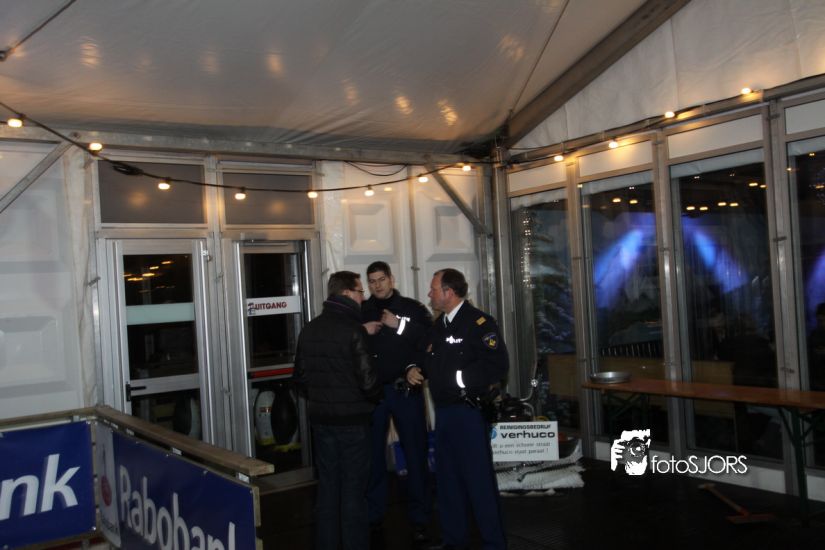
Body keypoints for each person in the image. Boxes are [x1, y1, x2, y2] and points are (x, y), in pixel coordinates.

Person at [406, 268, 508, 550]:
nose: (429, 294)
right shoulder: (439, 326)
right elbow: (425, 356)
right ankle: (454, 541)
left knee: (479, 482)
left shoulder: (479, 323)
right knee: (448, 481)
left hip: (468, 413)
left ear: (448, 293)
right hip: (444, 414)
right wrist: (414, 368)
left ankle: (494, 544)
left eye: (433, 289)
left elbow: (497, 366)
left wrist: (458, 379)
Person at [293, 271, 381, 550]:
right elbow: (369, 382)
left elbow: (299, 379)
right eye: (360, 291)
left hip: (322, 422)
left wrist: (322, 397)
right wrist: (371, 401)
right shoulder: (354, 330)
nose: (363, 297)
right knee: (354, 491)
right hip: (353, 423)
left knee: (328, 489)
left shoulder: (309, 329)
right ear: (347, 293)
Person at [361, 261, 433, 543]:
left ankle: (420, 519)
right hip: (373, 393)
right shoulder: (362, 310)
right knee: (372, 458)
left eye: (381, 279)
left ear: (391, 279)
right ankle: (373, 516)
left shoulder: (412, 309)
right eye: (372, 281)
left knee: (415, 454)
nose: (377, 285)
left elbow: (429, 343)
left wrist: (399, 326)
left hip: (405, 391)